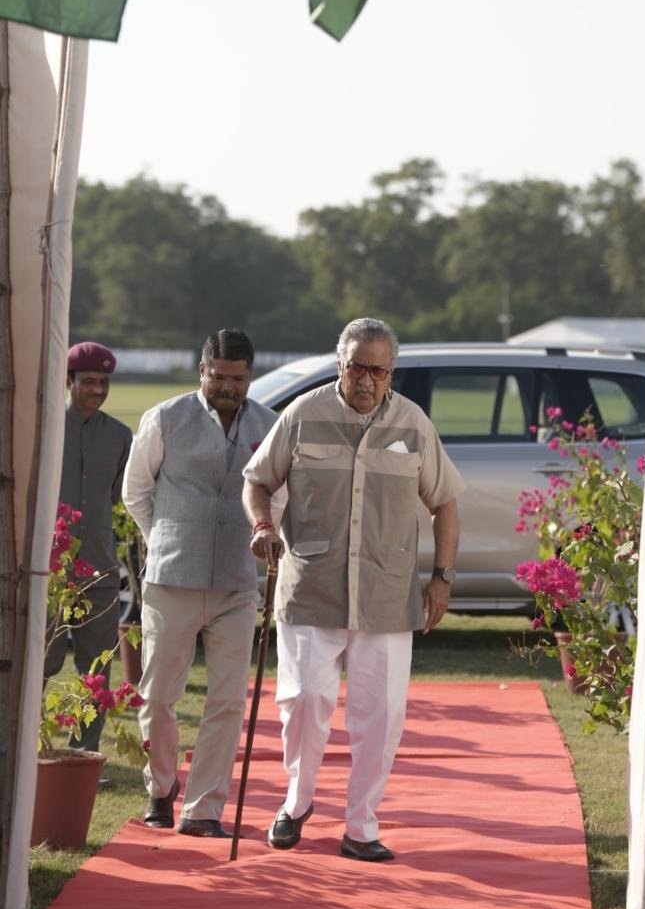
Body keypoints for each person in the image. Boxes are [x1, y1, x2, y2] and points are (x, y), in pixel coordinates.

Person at [243, 316, 463, 863]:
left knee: (381, 715)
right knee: (303, 702)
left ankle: (362, 825)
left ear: (392, 371)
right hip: (310, 587)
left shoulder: (413, 423)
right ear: (339, 363)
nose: (366, 380)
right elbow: (257, 480)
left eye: (379, 370)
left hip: (387, 594)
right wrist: (263, 525)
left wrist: (442, 578)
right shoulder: (303, 414)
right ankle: (296, 802)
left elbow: (445, 503)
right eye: (357, 367)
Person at [122, 328, 277, 838]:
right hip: (171, 579)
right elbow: (136, 490)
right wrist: (163, 537)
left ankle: (204, 808)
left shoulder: (270, 425)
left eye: (238, 378)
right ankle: (161, 788)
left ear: (250, 376)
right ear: (202, 371)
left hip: (237, 583)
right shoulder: (164, 417)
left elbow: (278, 496)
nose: (227, 387)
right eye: (218, 377)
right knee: (158, 695)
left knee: (227, 701)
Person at [44, 341, 133, 752]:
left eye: (104, 382)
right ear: (68, 381)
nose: (98, 390)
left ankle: (84, 752)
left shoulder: (120, 436)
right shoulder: (44, 426)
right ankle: (25, 750)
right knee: (40, 661)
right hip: (46, 568)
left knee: (95, 666)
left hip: (99, 568)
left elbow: (118, 497)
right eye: (89, 381)